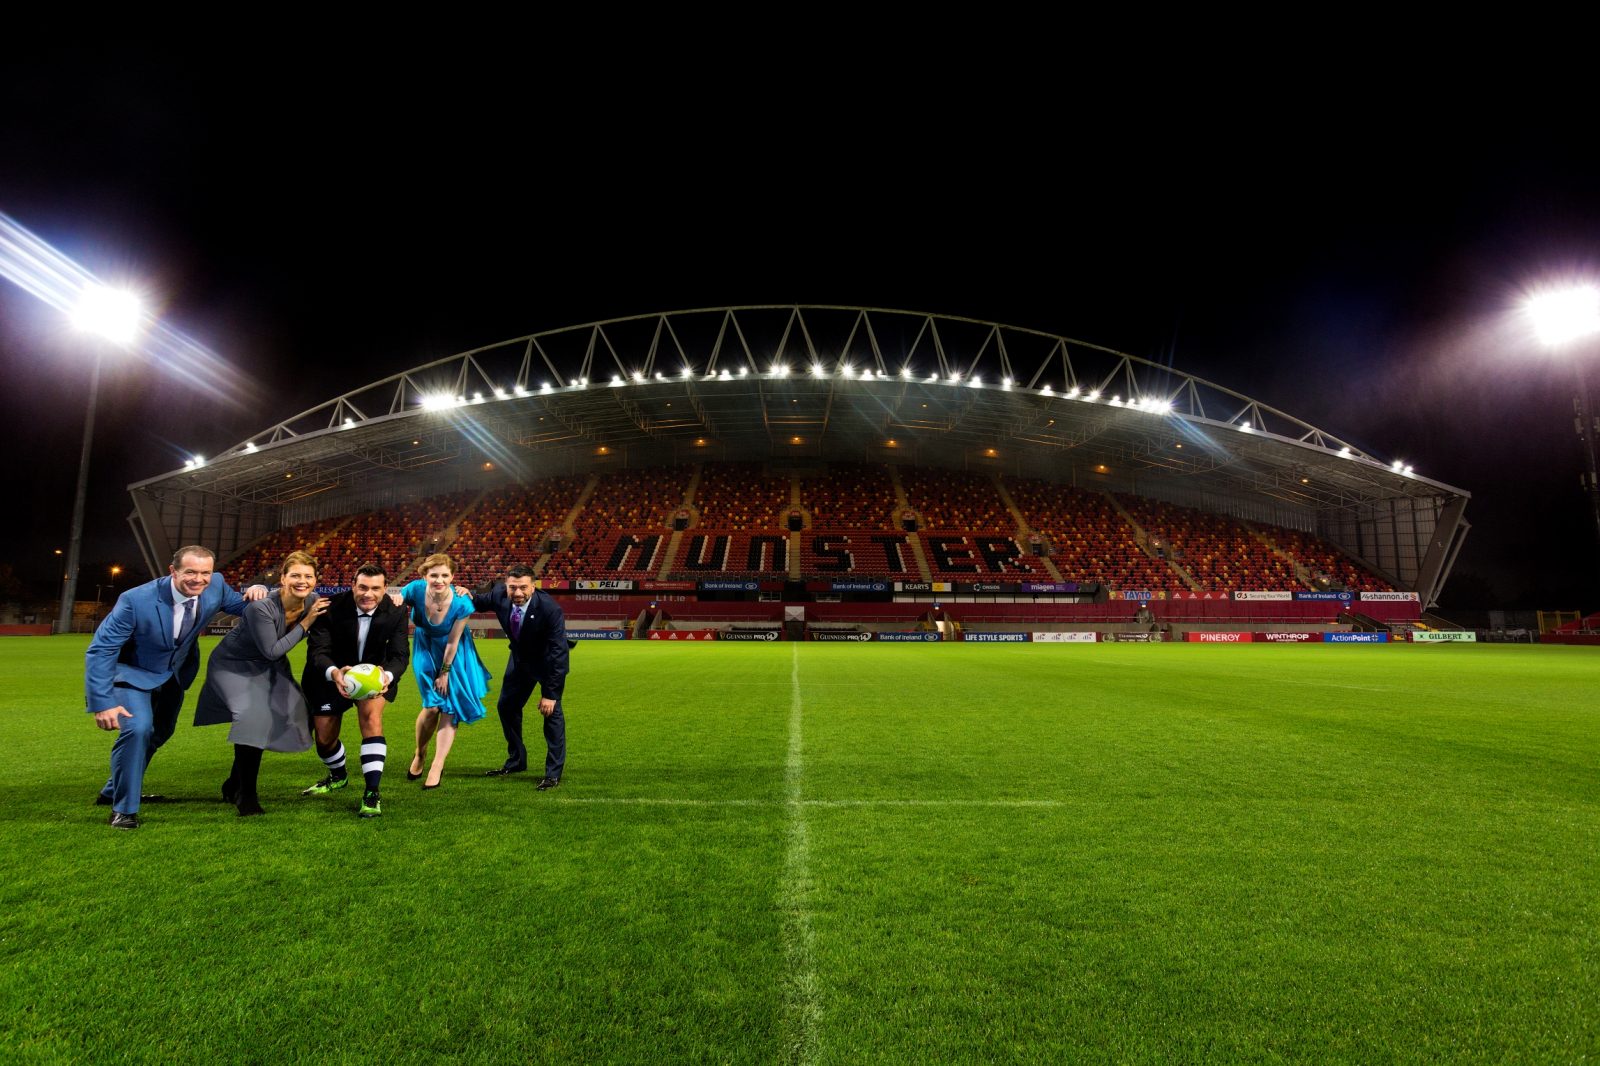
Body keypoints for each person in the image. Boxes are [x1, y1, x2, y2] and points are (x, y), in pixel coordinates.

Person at [84, 545, 267, 829]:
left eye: (205, 572)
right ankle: (124, 810)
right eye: (190, 572)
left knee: (160, 732)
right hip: (132, 673)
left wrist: (260, 590)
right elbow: (101, 649)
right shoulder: (135, 600)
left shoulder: (215, 586)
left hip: (174, 676)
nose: (199, 579)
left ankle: (112, 790)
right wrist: (102, 702)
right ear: (173, 571)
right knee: (139, 728)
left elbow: (248, 607)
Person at [193, 551, 327, 815]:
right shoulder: (261, 607)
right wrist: (308, 621)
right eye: (296, 575)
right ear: (283, 578)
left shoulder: (312, 600)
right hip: (234, 664)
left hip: (269, 667)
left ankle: (233, 783)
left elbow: (348, 605)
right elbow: (272, 650)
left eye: (308, 576)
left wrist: (395, 598)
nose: (302, 581)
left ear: (315, 580)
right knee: (253, 718)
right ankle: (246, 794)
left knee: (303, 713)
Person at [299, 562, 411, 818]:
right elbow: (318, 651)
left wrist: (387, 676)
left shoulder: (396, 611)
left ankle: (372, 792)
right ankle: (338, 776)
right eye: (362, 587)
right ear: (352, 586)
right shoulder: (330, 608)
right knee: (324, 740)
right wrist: (336, 673)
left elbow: (400, 654)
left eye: (375, 588)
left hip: (374, 677)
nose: (367, 594)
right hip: (332, 675)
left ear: (385, 589)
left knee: (371, 719)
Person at [394, 554, 491, 788]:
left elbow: (453, 642)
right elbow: (396, 598)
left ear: (453, 577)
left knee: (450, 707)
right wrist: (396, 598)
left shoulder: (462, 603)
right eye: (434, 575)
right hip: (424, 647)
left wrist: (445, 672)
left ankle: (437, 765)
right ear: (424, 575)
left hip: (454, 652)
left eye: (445, 575)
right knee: (432, 705)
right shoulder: (415, 589)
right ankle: (420, 753)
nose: (439, 579)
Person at [473, 564, 570, 789]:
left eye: (523, 588)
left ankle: (552, 773)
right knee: (506, 706)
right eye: (513, 587)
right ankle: (516, 761)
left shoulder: (549, 609)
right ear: (506, 586)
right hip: (519, 660)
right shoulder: (499, 594)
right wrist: (461, 593)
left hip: (547, 662)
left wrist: (550, 694)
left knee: (551, 714)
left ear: (533, 587)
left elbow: (559, 654)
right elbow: (476, 602)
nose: (517, 593)